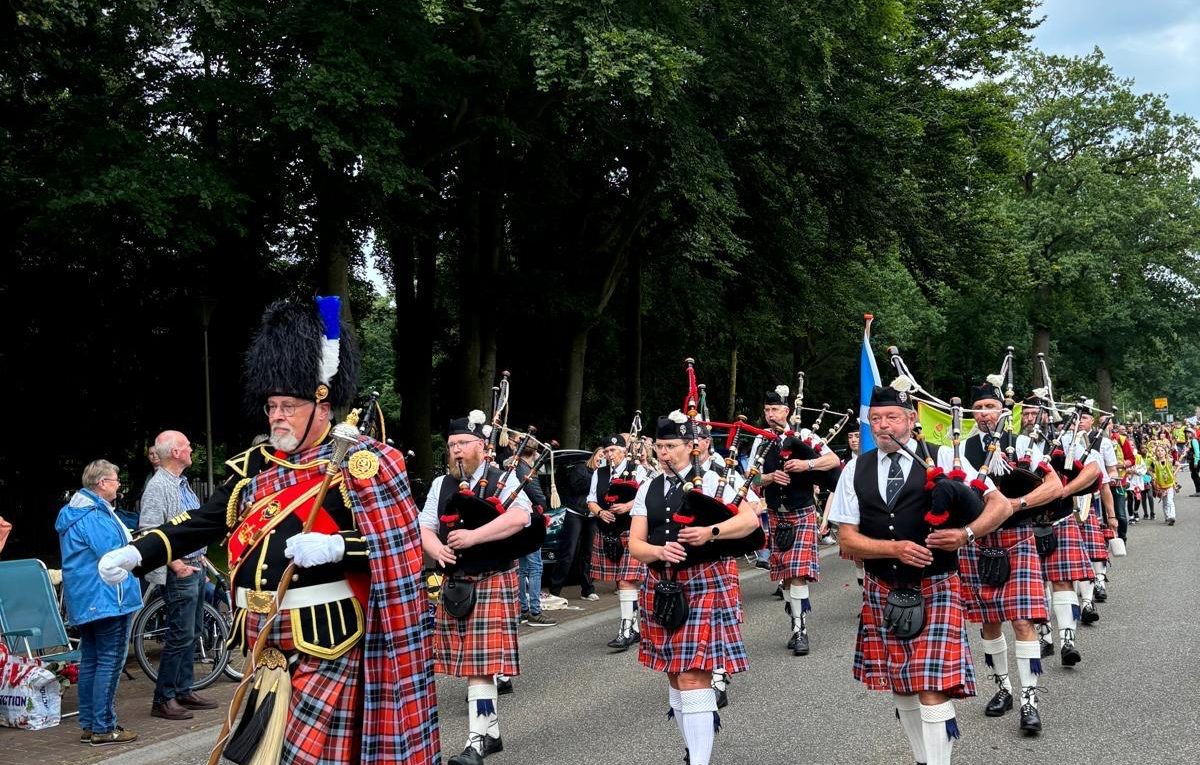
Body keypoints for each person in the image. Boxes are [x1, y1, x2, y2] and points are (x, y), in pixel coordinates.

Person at [99, 297, 438, 765]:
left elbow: (399, 548)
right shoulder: (256, 468)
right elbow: (200, 522)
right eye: (271, 406)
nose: (277, 415)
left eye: (288, 406)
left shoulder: (362, 463)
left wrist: (338, 546)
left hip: (328, 639)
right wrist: (139, 553)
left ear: (322, 405)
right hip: (262, 639)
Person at [828, 380, 1012, 765]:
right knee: (902, 685)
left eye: (891, 417)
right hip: (884, 587)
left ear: (912, 420)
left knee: (932, 685)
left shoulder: (946, 458)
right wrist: (891, 549)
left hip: (937, 584)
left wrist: (965, 534)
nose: (883, 426)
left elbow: (1001, 507)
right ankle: (922, 758)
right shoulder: (854, 470)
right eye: (875, 419)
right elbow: (847, 539)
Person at [627, 412, 760, 765]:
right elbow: (635, 544)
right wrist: (657, 551)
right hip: (660, 585)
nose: (664, 453)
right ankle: (692, 752)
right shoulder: (648, 488)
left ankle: (699, 761)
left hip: (703, 581)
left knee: (692, 675)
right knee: (673, 674)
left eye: (671, 446)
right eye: (659, 446)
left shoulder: (714, 480)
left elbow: (749, 520)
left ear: (692, 446)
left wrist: (710, 532)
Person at [420, 412, 535, 765]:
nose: (455, 451)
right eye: (451, 445)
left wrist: (474, 536)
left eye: (462, 444)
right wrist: (434, 547)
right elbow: (424, 525)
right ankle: (492, 732)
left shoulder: (504, 479)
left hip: (492, 576)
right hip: (457, 581)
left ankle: (477, 741)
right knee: (473, 663)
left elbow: (522, 517)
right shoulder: (442, 484)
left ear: (482, 448)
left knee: (480, 666)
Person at [956, 380, 1060, 734]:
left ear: (1004, 410)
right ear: (972, 412)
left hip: (1017, 537)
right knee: (989, 622)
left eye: (991, 406)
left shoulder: (1025, 444)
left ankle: (1030, 699)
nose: (985, 412)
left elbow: (1055, 486)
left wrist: (1015, 504)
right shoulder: (959, 448)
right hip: (978, 540)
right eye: (979, 407)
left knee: (1022, 622)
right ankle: (1003, 688)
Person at [57, 460, 143, 746]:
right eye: (116, 480)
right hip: (107, 596)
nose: (119, 485)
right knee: (109, 660)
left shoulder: (74, 512)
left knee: (92, 660)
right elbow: (114, 555)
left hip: (84, 597)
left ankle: (91, 724)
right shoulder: (94, 515)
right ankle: (104, 727)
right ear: (103, 483)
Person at [138, 430, 218, 720]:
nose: (190, 450)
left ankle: (184, 689)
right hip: (179, 571)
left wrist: (202, 560)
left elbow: (193, 527)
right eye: (186, 445)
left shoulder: (182, 484)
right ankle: (164, 698)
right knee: (179, 635)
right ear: (174, 452)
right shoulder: (159, 486)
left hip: (194, 566)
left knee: (192, 632)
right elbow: (149, 530)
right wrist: (176, 564)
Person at [756, 384, 840, 656]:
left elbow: (833, 460)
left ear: (787, 411)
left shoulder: (804, 436)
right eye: (767, 410)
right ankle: (796, 618)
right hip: (775, 514)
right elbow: (750, 479)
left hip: (801, 511)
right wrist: (768, 478)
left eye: (775, 409)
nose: (771, 414)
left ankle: (800, 630)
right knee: (787, 577)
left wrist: (807, 465)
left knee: (797, 572)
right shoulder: (760, 439)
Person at [587, 434, 649, 651]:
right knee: (622, 583)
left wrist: (628, 506)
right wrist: (601, 512)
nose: (609, 454)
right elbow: (591, 500)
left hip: (632, 531)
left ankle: (625, 630)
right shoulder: (600, 473)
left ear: (623, 450)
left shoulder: (637, 469)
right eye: (607, 451)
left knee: (626, 581)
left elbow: (646, 495)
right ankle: (635, 629)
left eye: (613, 450)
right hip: (608, 532)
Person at [508, 434, 557, 627]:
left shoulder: (513, 466)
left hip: (516, 521)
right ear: (535, 452)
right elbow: (538, 497)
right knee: (535, 567)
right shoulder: (526, 470)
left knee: (522, 568)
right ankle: (534, 611)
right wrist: (542, 504)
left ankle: (522, 609)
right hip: (530, 520)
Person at [548, 447, 602, 601]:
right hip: (575, 513)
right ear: (594, 455)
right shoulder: (581, 468)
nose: (602, 458)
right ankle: (554, 590)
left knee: (588, 554)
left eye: (605, 456)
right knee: (568, 552)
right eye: (600, 454)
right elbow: (576, 487)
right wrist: (597, 478)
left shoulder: (606, 474)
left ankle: (587, 590)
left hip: (592, 516)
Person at [1151, 444, 1178, 526]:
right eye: (1158, 451)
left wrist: (1174, 474)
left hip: (1170, 484)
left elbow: (1178, 465)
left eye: (1162, 450)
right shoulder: (1154, 463)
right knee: (1165, 502)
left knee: (1170, 501)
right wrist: (1154, 477)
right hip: (1161, 486)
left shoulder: (1169, 460)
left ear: (1165, 452)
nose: (1160, 452)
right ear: (1156, 453)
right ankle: (1167, 516)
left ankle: (1172, 516)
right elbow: (1149, 470)